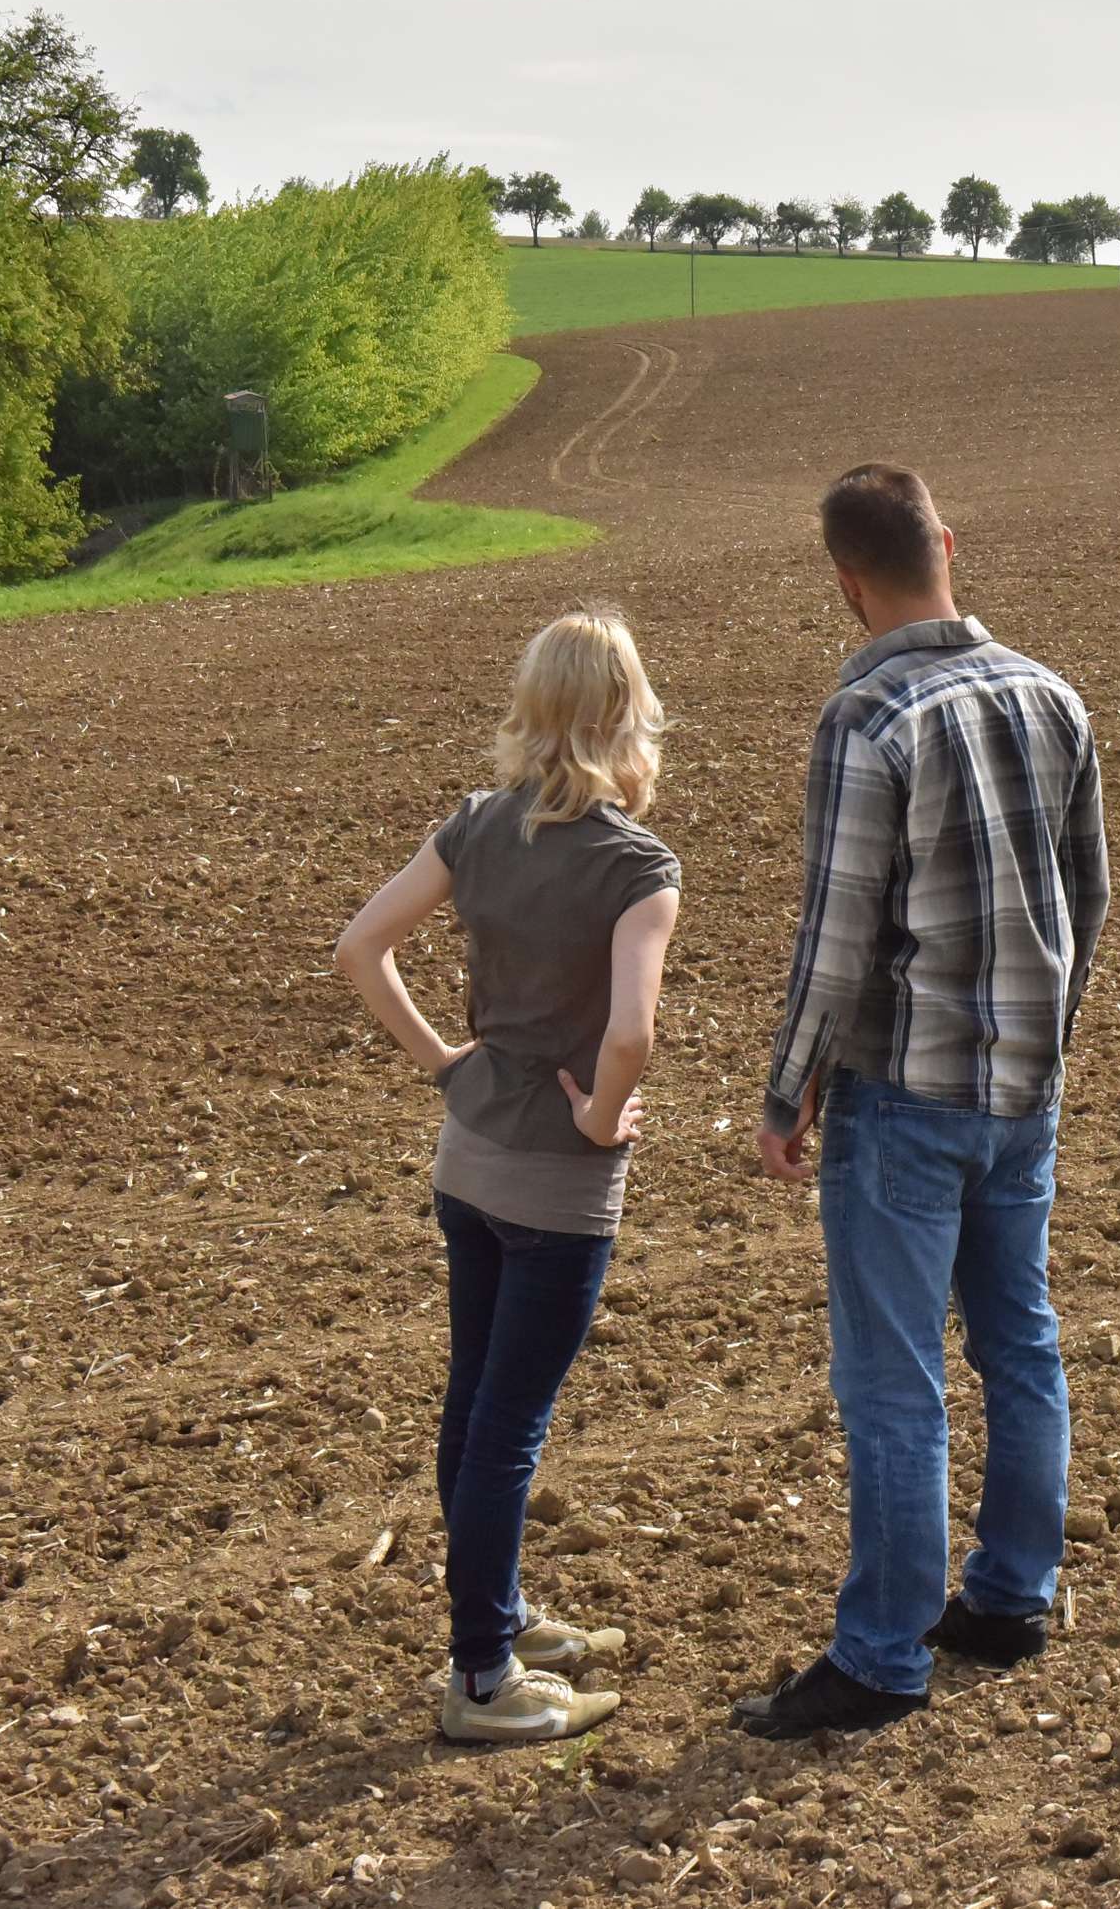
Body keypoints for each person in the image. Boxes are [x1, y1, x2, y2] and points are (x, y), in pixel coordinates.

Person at [732, 464, 1110, 1741]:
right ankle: (1010, 1597)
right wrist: (1044, 1038)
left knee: (893, 1384)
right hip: (1026, 1089)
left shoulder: (866, 717)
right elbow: (1087, 896)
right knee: (1020, 1338)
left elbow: (836, 940)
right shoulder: (1053, 695)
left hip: (902, 1097)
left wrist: (788, 1090)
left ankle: (882, 1657)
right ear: (948, 541)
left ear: (846, 580)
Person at [333, 608, 682, 1745]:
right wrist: (600, 1109)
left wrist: (443, 1057)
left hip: (468, 1162)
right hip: (557, 1190)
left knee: (473, 1406)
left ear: (533, 713)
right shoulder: (638, 867)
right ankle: (481, 1676)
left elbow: (359, 948)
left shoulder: (476, 825)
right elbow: (631, 1032)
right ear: (627, 720)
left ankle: (501, 1616)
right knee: (507, 1428)